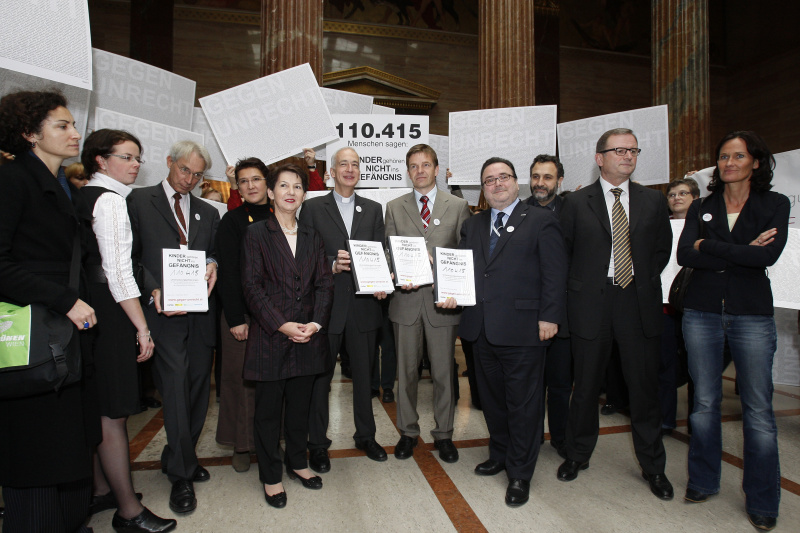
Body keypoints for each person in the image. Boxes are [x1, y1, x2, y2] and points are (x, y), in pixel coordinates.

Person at [677, 131, 789, 531]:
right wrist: (742, 250)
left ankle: (762, 500)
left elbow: (767, 256)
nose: (729, 163)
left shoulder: (775, 203)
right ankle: (703, 481)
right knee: (704, 404)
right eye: (723, 157)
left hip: (752, 314)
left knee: (758, 411)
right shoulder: (703, 205)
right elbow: (684, 253)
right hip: (701, 312)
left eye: (738, 156)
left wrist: (712, 246)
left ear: (755, 162)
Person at [0, 90, 100, 533]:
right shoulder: (12, 180)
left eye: (73, 124)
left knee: (68, 450)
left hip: (66, 338)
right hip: (33, 341)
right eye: (61, 126)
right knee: (36, 458)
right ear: (28, 133)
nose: (74, 133)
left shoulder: (63, 186)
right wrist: (65, 299)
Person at [557, 128, 675, 501]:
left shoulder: (654, 202)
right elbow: (565, 254)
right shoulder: (576, 203)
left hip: (636, 301)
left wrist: (634, 280)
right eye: (619, 150)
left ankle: (653, 466)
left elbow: (660, 252)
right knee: (586, 385)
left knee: (643, 389)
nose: (627, 155)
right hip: (591, 302)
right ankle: (577, 454)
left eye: (633, 150)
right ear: (599, 158)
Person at [450, 157, 567, 506]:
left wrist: (550, 316)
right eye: (489, 180)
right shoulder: (474, 225)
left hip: (524, 330)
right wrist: (443, 281)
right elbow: (463, 269)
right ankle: (499, 453)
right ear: (483, 189)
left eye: (504, 177)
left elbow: (555, 272)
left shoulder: (542, 220)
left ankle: (519, 472)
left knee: (524, 405)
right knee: (494, 402)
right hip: (480, 329)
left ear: (517, 183)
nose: (497, 183)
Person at [80, 129, 177, 532]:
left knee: (96, 405)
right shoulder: (111, 202)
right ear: (101, 160)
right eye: (127, 156)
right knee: (114, 414)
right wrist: (142, 328)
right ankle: (128, 511)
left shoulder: (79, 194)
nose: (136, 164)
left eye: (138, 157)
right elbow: (118, 274)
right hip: (112, 310)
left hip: (86, 314)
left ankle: (102, 488)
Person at [127, 140, 220, 514]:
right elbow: (128, 257)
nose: (190, 180)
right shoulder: (138, 201)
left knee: (199, 386)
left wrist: (213, 263)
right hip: (161, 314)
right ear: (169, 163)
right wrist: (152, 288)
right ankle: (181, 475)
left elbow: (211, 251)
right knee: (176, 386)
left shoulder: (206, 212)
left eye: (198, 174)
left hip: (199, 312)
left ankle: (180, 455)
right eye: (185, 170)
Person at [241, 163, 334, 508]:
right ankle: (270, 475)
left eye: (297, 186)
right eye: (283, 186)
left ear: (304, 195)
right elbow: (251, 287)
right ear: (270, 192)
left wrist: (316, 324)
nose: (291, 192)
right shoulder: (256, 234)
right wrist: (281, 324)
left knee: (300, 407)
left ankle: (297, 462)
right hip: (271, 336)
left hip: (308, 336)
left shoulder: (312, 235)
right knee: (268, 411)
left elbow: (324, 284)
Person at [298, 146, 389, 472]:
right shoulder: (312, 207)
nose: (349, 169)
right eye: (343, 164)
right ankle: (317, 444)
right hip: (325, 307)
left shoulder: (373, 209)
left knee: (365, 378)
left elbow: (380, 253)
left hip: (364, 307)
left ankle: (366, 435)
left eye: (354, 164)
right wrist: (329, 264)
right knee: (320, 380)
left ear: (359, 171)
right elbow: (303, 255)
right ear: (331, 172)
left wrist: (384, 277)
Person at [385, 144, 471, 462]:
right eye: (413, 166)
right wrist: (393, 272)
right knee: (405, 373)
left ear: (436, 169)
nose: (420, 170)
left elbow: (465, 253)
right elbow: (388, 249)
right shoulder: (394, 207)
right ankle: (408, 433)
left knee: (443, 373)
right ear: (408, 172)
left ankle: (444, 435)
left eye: (426, 165)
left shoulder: (459, 205)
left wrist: (451, 275)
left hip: (442, 304)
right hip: (405, 301)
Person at [215, 157, 272, 473]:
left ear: (267, 182)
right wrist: (236, 318)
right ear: (238, 187)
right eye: (244, 181)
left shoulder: (285, 215)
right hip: (243, 317)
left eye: (256, 179)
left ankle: (271, 438)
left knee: (274, 381)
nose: (251, 186)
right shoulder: (232, 221)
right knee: (239, 381)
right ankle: (241, 444)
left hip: (278, 318)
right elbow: (229, 273)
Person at [525, 154, 572, 458]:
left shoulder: (574, 211)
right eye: (536, 176)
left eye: (547, 177)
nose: (540, 183)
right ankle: (529, 438)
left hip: (562, 312)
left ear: (559, 181)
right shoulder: (519, 210)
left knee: (559, 382)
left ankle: (561, 438)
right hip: (526, 313)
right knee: (528, 385)